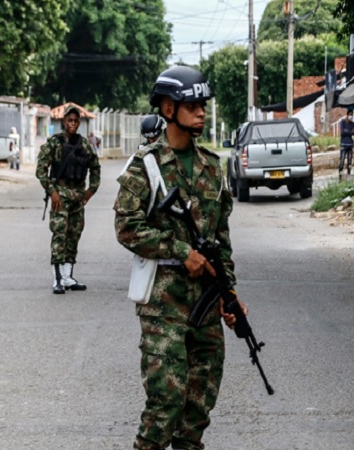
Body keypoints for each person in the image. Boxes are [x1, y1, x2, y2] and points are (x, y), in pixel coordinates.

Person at [113, 66, 247, 450]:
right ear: (169, 109)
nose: (202, 112)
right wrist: (179, 252)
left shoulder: (212, 165)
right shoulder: (146, 165)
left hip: (205, 304)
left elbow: (221, 238)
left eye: (203, 104)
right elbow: (126, 227)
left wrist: (229, 293)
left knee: (199, 403)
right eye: (193, 105)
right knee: (166, 402)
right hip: (164, 304)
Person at [36, 105, 101, 294]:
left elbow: (95, 167)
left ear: (78, 123)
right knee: (59, 236)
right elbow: (41, 169)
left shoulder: (85, 145)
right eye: (69, 120)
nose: (72, 124)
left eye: (75, 121)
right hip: (60, 197)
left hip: (78, 198)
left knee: (74, 234)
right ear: (64, 122)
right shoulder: (54, 143)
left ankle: (68, 277)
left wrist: (91, 190)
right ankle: (57, 279)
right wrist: (51, 191)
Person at [339, 110, 354, 175]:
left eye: (352, 115)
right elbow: (342, 132)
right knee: (342, 160)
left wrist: (347, 130)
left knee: (349, 161)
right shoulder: (342, 122)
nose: (351, 116)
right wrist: (349, 131)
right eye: (350, 114)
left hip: (350, 144)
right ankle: (340, 174)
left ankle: (349, 173)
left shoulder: (353, 124)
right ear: (347, 115)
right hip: (343, 144)